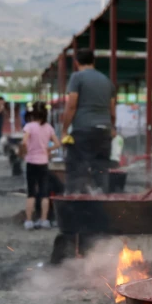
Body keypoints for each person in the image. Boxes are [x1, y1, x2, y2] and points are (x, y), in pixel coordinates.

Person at [62, 49, 115, 193]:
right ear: (93, 61)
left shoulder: (77, 77)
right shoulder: (106, 80)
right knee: (101, 170)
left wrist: (64, 130)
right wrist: (112, 128)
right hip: (104, 131)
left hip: (84, 130)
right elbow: (112, 110)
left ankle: (75, 205)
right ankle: (100, 203)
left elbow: (71, 105)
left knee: (76, 169)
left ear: (76, 62)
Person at [21, 102, 60, 230]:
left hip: (31, 162)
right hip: (43, 162)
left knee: (31, 192)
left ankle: (28, 220)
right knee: (44, 193)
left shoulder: (29, 126)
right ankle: (44, 220)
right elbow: (57, 143)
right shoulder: (48, 127)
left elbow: (24, 142)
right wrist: (48, 150)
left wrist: (25, 151)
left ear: (33, 114)